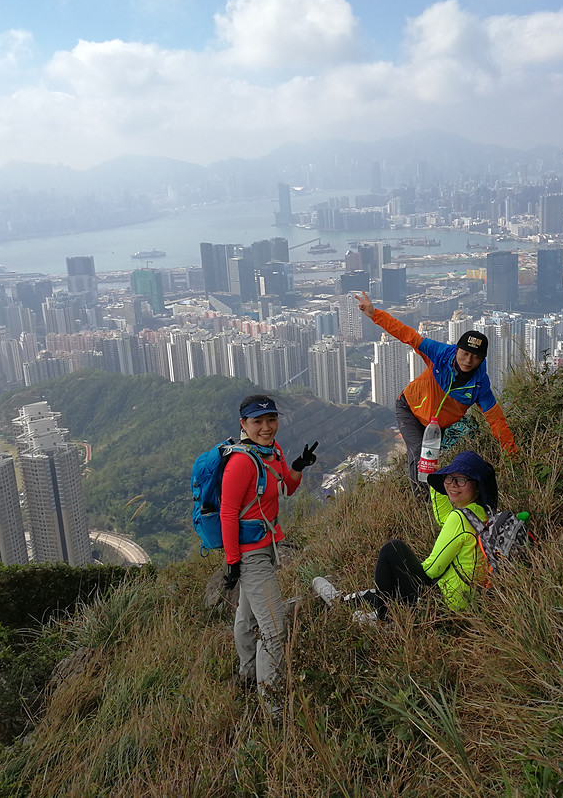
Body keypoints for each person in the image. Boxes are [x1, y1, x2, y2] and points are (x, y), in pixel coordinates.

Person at [355, 291, 517, 493]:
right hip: (409, 408)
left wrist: (512, 455)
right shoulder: (439, 354)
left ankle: (433, 493)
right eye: (465, 353)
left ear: (482, 359)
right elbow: (408, 335)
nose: (468, 361)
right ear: (457, 350)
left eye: (475, 357)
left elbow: (496, 420)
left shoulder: (480, 385)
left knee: (434, 459)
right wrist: (374, 314)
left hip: (436, 426)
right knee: (419, 452)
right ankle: (420, 498)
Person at [312, 451, 497, 623]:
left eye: (462, 480)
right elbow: (444, 520)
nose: (453, 484)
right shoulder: (483, 513)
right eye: (449, 477)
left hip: (442, 604)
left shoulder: (460, 518)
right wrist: (435, 484)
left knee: (393, 549)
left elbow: (431, 570)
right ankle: (342, 601)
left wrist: (403, 576)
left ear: (477, 486)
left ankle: (382, 618)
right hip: (466, 601)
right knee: (388, 590)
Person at [220, 394, 318, 698]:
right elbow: (228, 513)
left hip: (266, 545)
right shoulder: (240, 463)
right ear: (243, 424)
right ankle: (272, 703)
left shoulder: (272, 451)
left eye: (271, 419)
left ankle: (247, 673)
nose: (266, 427)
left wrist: (298, 466)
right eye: (257, 421)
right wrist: (233, 562)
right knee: (275, 630)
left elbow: (286, 487)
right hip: (250, 554)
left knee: (247, 616)